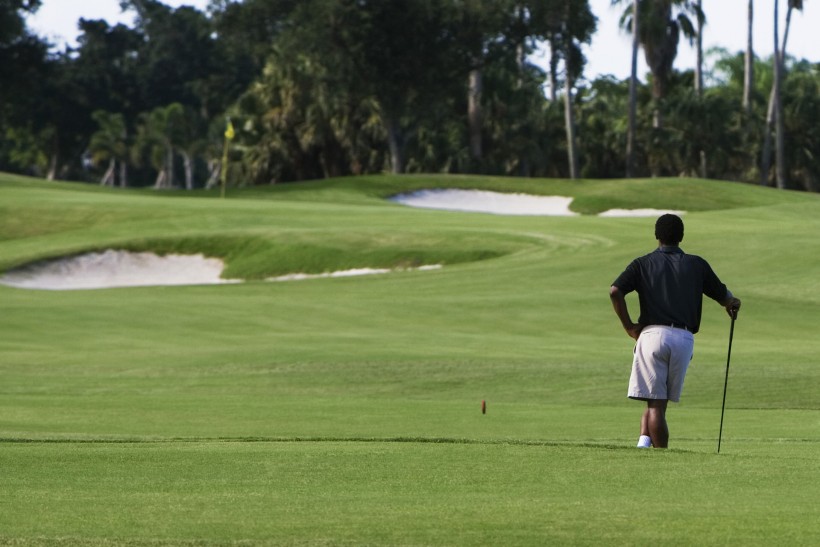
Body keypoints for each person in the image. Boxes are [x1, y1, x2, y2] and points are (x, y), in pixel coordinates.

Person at [609, 214, 741, 449]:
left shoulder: (642, 263)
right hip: (684, 339)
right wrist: (732, 303)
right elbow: (725, 298)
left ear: (656, 236)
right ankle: (644, 441)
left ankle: (661, 455)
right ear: (681, 237)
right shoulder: (697, 264)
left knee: (655, 404)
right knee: (658, 399)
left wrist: (629, 327)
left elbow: (615, 291)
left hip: (652, 335)